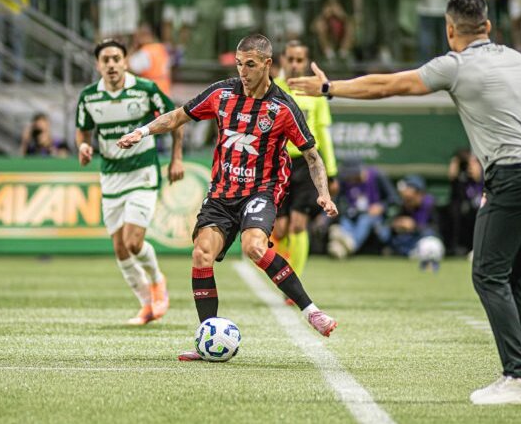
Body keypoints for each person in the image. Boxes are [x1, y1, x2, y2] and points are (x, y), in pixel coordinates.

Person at [289, 0, 521, 405]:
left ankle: (519, 375)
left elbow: (389, 85)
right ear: (488, 26)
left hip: (513, 173)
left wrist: (329, 87)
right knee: (520, 278)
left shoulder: (454, 65)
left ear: (449, 29)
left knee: (488, 274)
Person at [117, 34, 340, 361]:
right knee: (201, 254)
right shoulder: (222, 93)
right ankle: (208, 338)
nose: (243, 72)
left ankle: (311, 311)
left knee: (254, 247)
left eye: (250, 65)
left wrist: (324, 194)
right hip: (222, 193)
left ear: (267, 64)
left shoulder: (282, 107)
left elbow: (312, 155)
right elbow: (177, 116)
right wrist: (142, 132)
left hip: (261, 190)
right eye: (239, 64)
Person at [75, 39, 184, 326]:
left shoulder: (145, 89)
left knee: (133, 242)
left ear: (125, 62)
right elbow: (83, 131)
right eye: (105, 60)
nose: (111, 64)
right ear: (98, 65)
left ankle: (157, 281)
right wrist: (83, 146)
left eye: (116, 59)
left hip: (142, 173)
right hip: (111, 177)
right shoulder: (89, 97)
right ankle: (147, 305)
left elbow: (176, 118)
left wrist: (176, 158)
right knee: (120, 249)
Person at [271, 40, 337, 287]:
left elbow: (323, 132)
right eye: (291, 59)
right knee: (279, 229)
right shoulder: (270, 89)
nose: (295, 64)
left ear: (306, 62)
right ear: (282, 60)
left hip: (307, 163)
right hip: (278, 163)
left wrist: (331, 172)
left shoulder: (315, 93)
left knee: (299, 224)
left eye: (300, 60)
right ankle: (284, 265)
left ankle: (293, 282)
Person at [327, 164, 397, 259]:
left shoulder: (377, 176)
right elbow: (338, 200)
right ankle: (342, 247)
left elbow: (394, 199)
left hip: (375, 219)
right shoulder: (346, 181)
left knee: (365, 219)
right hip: (352, 215)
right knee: (345, 219)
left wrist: (381, 207)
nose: (350, 179)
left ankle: (349, 244)